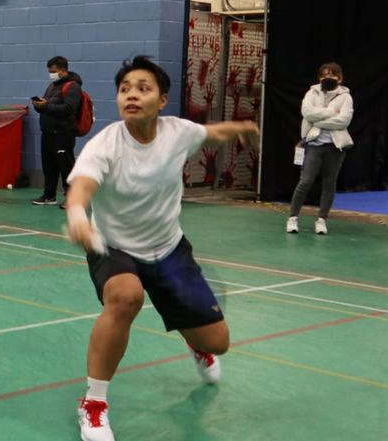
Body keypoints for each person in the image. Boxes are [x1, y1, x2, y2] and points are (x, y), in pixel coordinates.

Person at [65, 55, 259, 441]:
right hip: (115, 246)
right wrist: (77, 215)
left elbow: (212, 134)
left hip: (168, 248)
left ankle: (195, 344)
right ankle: (94, 403)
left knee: (217, 343)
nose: (131, 96)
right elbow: (82, 186)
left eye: (142, 88)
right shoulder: (105, 144)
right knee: (125, 297)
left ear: (163, 99)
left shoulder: (178, 132)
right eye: (124, 90)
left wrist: (240, 127)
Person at [286, 62, 354, 235]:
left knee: (329, 183)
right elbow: (307, 112)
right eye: (323, 75)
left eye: (331, 75)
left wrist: (318, 120)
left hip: (335, 147)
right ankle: (292, 218)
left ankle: (322, 220)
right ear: (319, 78)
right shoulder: (312, 92)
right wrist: (332, 112)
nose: (327, 78)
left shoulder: (345, 97)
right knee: (305, 181)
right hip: (314, 145)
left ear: (339, 78)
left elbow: (343, 121)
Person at [31, 56, 82, 209]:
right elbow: (47, 104)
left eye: (53, 71)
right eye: (49, 71)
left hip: (63, 133)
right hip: (47, 132)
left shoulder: (73, 87)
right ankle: (49, 195)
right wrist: (38, 105)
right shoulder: (52, 86)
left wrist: (46, 106)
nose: (51, 74)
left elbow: (69, 109)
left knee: (66, 167)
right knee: (49, 166)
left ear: (63, 70)